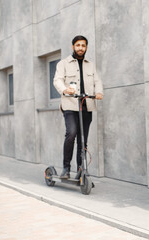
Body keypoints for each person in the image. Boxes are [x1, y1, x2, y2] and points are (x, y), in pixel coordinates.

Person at [54, 35, 103, 179]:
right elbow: (57, 80)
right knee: (71, 134)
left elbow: (97, 81)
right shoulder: (63, 64)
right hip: (70, 105)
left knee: (83, 139)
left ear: (86, 47)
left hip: (86, 105)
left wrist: (99, 92)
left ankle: (81, 170)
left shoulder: (90, 65)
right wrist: (64, 89)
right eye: (78, 45)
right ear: (73, 47)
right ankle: (66, 168)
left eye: (83, 45)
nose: (80, 48)